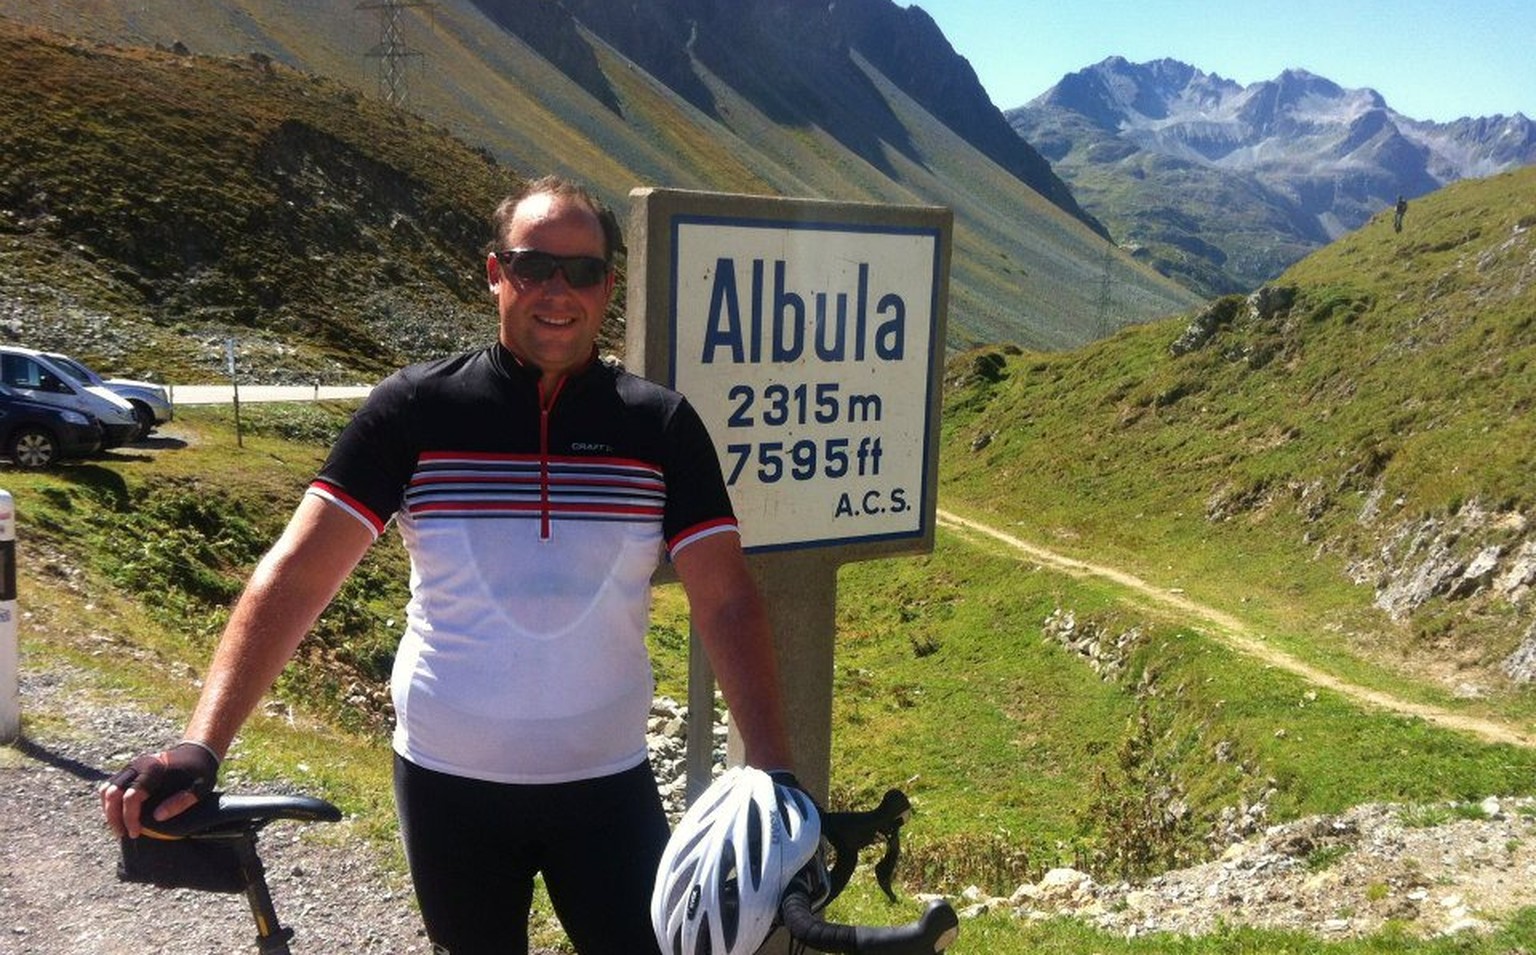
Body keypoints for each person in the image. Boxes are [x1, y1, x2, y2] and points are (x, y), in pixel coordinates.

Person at [101, 175, 796, 955]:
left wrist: (773, 772)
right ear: (496, 272)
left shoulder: (659, 424)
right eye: (535, 266)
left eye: (584, 271)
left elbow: (727, 599)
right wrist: (202, 744)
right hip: (448, 785)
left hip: (608, 783)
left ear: (609, 285)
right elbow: (298, 575)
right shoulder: (414, 410)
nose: (558, 292)